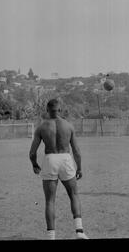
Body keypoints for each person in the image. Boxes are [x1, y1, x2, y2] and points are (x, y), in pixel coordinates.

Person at [29, 99, 89, 240]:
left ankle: (51, 237)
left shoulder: (42, 127)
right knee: (74, 195)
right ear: (60, 110)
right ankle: (79, 231)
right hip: (66, 159)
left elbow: (32, 153)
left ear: (47, 110)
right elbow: (77, 151)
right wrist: (79, 168)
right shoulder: (68, 126)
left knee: (50, 201)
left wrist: (34, 164)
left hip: (50, 159)